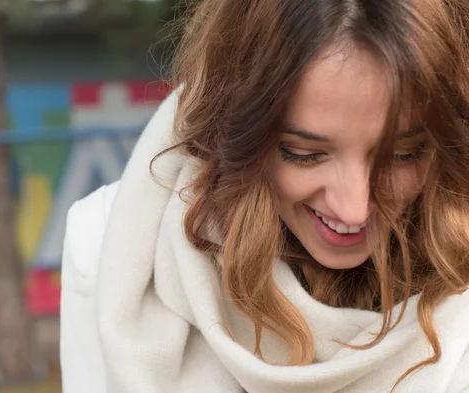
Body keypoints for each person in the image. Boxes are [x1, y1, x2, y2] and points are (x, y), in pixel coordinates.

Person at [60, 0, 469, 392]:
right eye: (304, 154)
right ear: (235, 129)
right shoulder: (107, 247)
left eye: (401, 156)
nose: (355, 207)